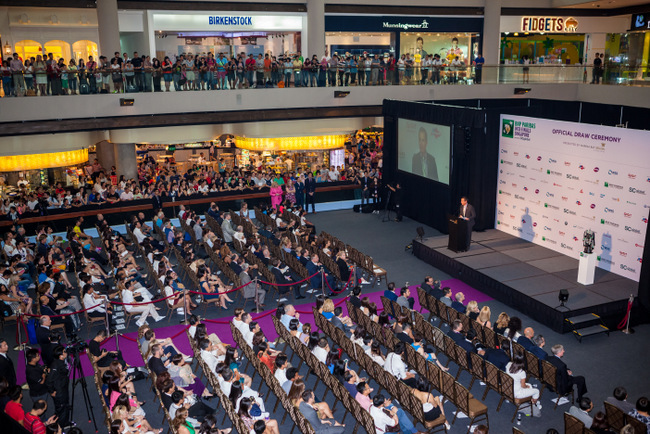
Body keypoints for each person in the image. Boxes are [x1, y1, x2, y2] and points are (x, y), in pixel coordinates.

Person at [46, 345, 70, 428]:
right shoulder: (55, 366)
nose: (66, 352)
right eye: (64, 351)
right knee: (61, 409)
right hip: (59, 391)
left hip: (63, 388)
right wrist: (52, 391)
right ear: (60, 356)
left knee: (66, 406)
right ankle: (59, 427)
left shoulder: (61, 361)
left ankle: (66, 423)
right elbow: (49, 380)